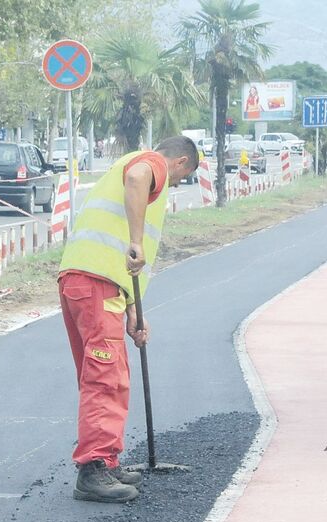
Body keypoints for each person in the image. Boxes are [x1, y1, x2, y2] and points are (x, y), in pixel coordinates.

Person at [58, 136, 199, 502]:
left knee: (101, 373)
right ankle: (93, 470)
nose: (175, 184)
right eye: (182, 178)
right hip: (96, 282)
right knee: (107, 377)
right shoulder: (152, 163)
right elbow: (138, 180)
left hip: (87, 281)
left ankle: (106, 458)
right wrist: (136, 240)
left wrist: (134, 309)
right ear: (181, 162)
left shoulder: (126, 161)